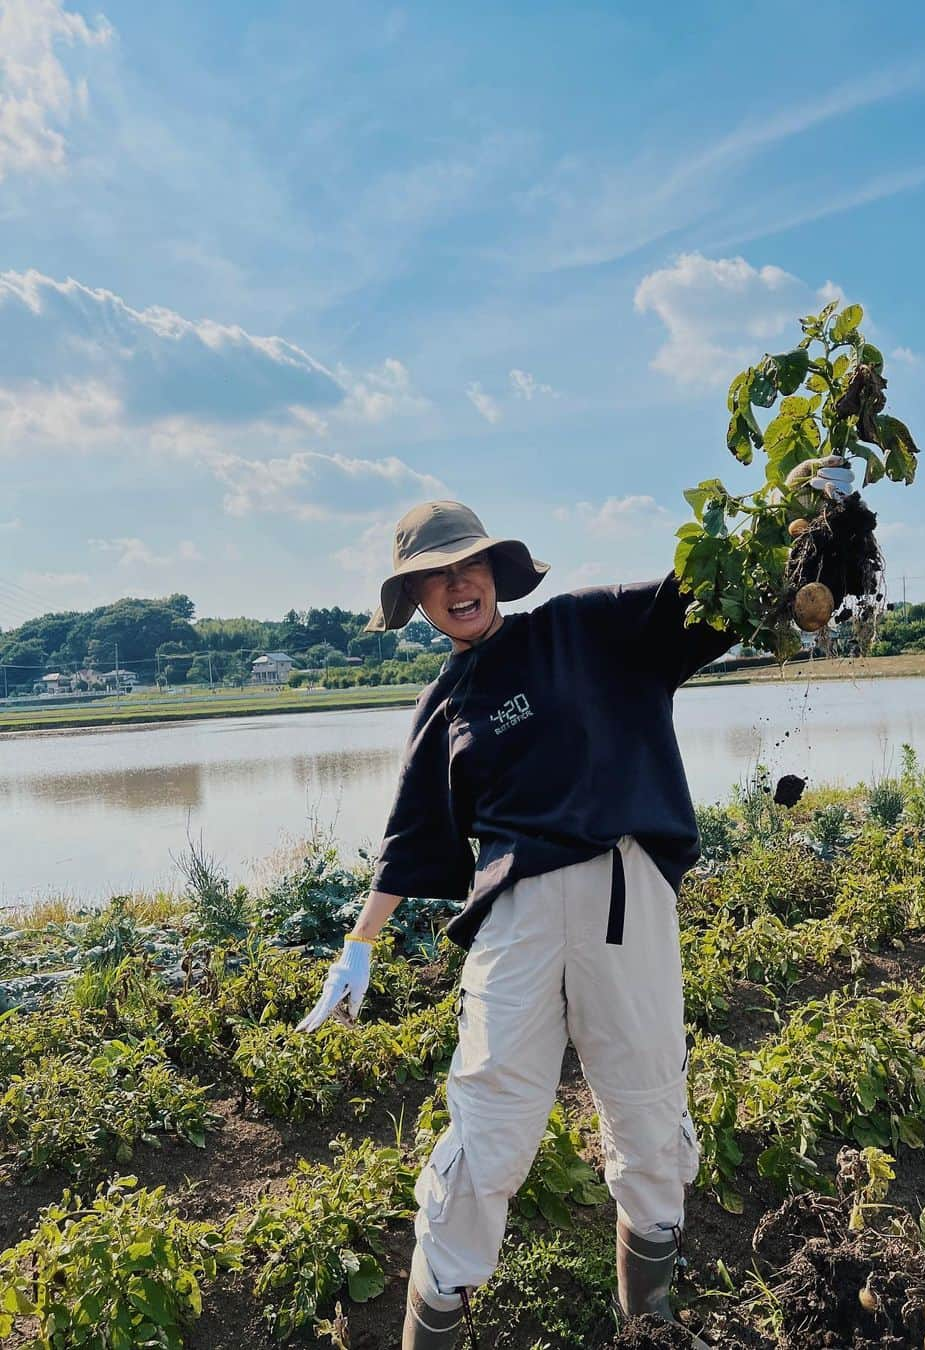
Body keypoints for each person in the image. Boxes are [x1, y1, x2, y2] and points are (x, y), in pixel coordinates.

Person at [298, 463, 853, 1349]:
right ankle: (430, 1325)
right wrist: (358, 945)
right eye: (434, 579)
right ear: (418, 603)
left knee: (646, 1106)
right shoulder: (444, 704)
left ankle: (651, 1325)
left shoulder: (583, 628)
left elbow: (700, 595)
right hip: (513, 921)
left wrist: (799, 512)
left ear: (494, 571)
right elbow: (409, 836)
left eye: (467, 565)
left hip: (621, 891)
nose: (456, 585)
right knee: (488, 1128)